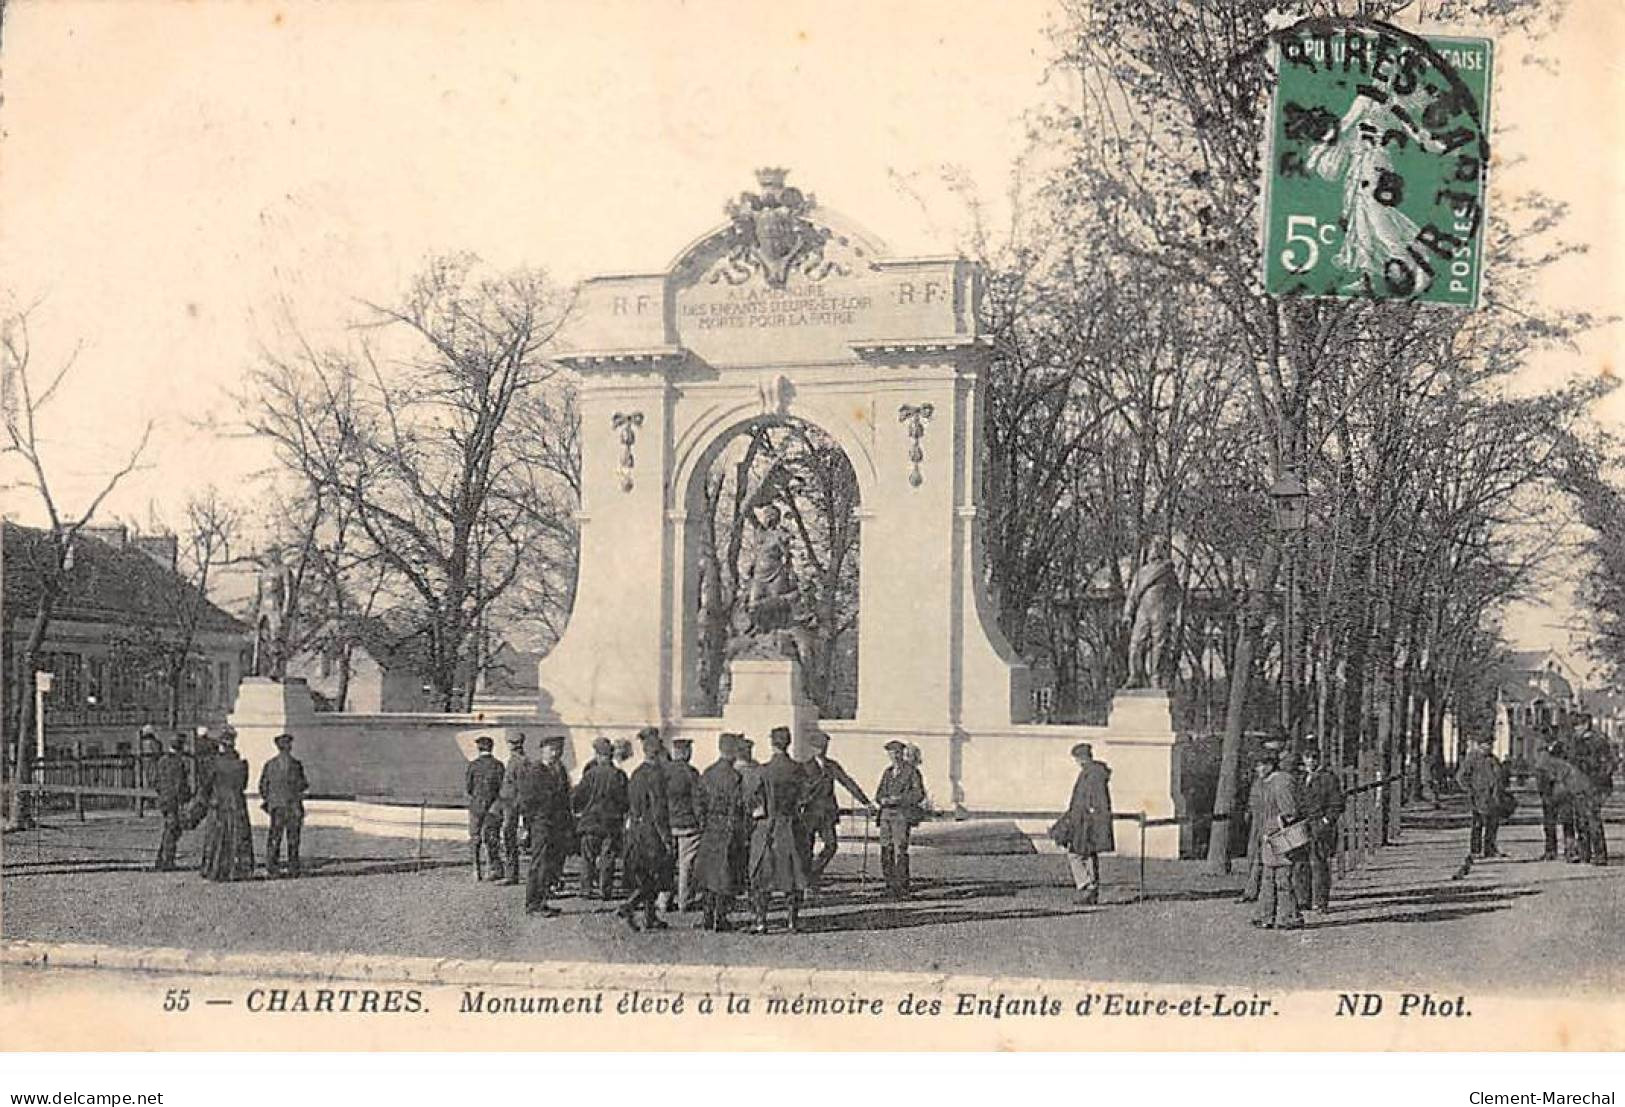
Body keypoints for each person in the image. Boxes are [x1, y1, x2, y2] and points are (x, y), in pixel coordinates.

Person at [745, 726, 812, 933]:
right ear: (789, 743)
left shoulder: (763, 771)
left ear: (772, 743)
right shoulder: (799, 769)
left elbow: (753, 800)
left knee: (762, 875)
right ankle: (792, 921)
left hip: (767, 828)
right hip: (791, 827)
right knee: (792, 873)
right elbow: (807, 798)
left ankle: (761, 922)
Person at [617, 727, 675, 932]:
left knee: (646, 875)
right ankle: (629, 906)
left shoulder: (637, 773)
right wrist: (666, 838)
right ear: (657, 752)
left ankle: (650, 918)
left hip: (636, 830)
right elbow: (658, 810)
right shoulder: (656, 776)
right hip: (652, 832)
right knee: (656, 876)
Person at [798, 730, 872, 885]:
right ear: (812, 748)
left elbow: (847, 782)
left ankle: (813, 874)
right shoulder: (804, 767)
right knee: (806, 849)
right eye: (818, 747)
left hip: (827, 814)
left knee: (831, 846)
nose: (822, 750)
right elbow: (797, 790)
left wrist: (865, 802)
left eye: (824, 747)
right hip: (809, 814)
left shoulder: (832, 766)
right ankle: (806, 882)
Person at [695, 733, 747, 931]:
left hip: (710, 828)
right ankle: (721, 918)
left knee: (709, 874)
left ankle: (707, 917)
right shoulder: (735, 777)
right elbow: (737, 805)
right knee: (725, 874)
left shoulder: (707, 773)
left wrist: (704, 823)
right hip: (728, 829)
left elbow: (698, 802)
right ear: (733, 751)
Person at [1054, 742, 1114, 906]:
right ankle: (1091, 887)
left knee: (1076, 854)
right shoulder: (1096, 773)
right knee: (1088, 855)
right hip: (1089, 821)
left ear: (1080, 758)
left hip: (1085, 822)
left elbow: (1087, 801)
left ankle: (1086, 886)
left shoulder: (1090, 775)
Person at [1253, 751, 1305, 930]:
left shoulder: (1282, 782)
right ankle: (1265, 915)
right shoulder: (1265, 783)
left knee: (1283, 879)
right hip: (1268, 837)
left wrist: (1272, 826)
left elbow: (1290, 812)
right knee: (1268, 878)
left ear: (1270, 765)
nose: (1257, 769)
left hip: (1282, 837)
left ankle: (1289, 916)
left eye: (1260, 765)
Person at [572, 736, 629, 898]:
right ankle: (605, 890)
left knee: (588, 857)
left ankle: (586, 889)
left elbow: (578, 797)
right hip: (611, 823)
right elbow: (625, 800)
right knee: (608, 857)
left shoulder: (590, 775)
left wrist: (579, 810)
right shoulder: (619, 775)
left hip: (591, 822)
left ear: (598, 755)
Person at [524, 736, 574, 917]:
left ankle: (543, 900)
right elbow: (528, 800)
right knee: (538, 864)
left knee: (550, 865)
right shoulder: (536, 771)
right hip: (542, 824)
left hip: (557, 825)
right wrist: (533, 822)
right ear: (543, 750)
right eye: (551, 749)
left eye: (559, 750)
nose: (556, 753)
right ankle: (532, 904)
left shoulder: (559, 770)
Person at [874, 739, 926, 899]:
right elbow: (879, 793)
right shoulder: (888, 772)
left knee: (900, 850)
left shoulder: (911, 772)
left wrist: (898, 799)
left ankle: (902, 886)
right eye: (891, 753)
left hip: (901, 816)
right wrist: (882, 800)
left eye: (897, 752)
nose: (894, 756)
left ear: (902, 753)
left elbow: (919, 794)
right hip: (885, 815)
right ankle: (889, 884)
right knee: (885, 849)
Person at [201, 729, 254, 882]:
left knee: (217, 839)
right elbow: (243, 785)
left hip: (218, 804)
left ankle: (215, 869)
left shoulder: (215, 764)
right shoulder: (242, 765)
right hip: (236, 804)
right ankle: (238, 870)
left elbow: (207, 784)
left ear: (222, 746)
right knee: (237, 837)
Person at [1297, 746, 1344, 914]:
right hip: (1303, 826)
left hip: (1320, 827)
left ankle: (1321, 902)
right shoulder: (1302, 778)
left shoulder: (1328, 778)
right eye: (1307, 757)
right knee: (1302, 864)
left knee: (1319, 864)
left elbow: (1337, 804)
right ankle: (1304, 899)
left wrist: (1325, 822)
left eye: (1314, 757)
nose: (1311, 761)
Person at [662, 737, 705, 913]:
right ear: (686, 753)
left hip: (667, 823)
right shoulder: (692, 773)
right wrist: (701, 820)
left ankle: (663, 900)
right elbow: (697, 801)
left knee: (667, 863)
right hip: (688, 825)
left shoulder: (664, 772)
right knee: (686, 864)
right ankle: (684, 900)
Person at [258, 732, 309, 878]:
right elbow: (303, 784)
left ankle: (272, 868)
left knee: (275, 837)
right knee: (293, 839)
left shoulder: (270, 765)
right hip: (292, 806)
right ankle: (293, 868)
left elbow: (262, 786)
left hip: (277, 807)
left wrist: (270, 800)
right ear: (289, 748)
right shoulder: (296, 765)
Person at [1456, 736, 1507, 859]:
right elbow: (1461, 777)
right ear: (1480, 745)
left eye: (1490, 744)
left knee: (1492, 825)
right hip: (1478, 796)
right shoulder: (1472, 758)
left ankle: (1490, 849)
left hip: (1493, 797)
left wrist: (1501, 788)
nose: (1489, 747)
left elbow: (1501, 776)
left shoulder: (1493, 759)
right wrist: (1471, 789)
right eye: (1486, 744)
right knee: (1478, 824)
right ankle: (1475, 850)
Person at [1571, 727, 1615, 865]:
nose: (1576, 729)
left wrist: (1601, 780)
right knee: (1580, 821)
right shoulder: (1576, 742)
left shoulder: (1598, 742)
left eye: (1578, 725)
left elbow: (1609, 763)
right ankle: (1585, 853)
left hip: (1593, 786)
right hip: (1579, 785)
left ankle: (1600, 855)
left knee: (1593, 821)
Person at [497, 733, 536, 886]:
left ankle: (511, 874)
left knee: (509, 838)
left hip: (513, 805)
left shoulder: (519, 762)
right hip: (510, 803)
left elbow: (521, 786)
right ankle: (511, 873)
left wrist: (517, 806)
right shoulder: (518, 760)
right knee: (509, 838)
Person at [465, 735, 505, 882]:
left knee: (475, 838)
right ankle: (492, 868)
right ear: (491, 748)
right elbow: (502, 788)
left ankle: (476, 869)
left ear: (478, 748)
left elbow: (468, 787)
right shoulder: (498, 765)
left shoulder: (473, 765)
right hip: (493, 806)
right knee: (492, 838)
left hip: (476, 806)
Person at [1236, 753, 1275, 904]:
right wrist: (1249, 813)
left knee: (1267, 860)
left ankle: (1262, 892)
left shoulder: (1273, 782)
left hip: (1269, 824)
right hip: (1256, 825)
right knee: (1253, 857)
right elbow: (1252, 802)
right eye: (1258, 765)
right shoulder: (1257, 783)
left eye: (1263, 765)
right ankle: (1251, 890)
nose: (1260, 768)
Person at [151, 734, 192, 872]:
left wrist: (162, 794)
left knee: (170, 829)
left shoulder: (162, 761)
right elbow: (181, 785)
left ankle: (162, 859)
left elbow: (155, 781)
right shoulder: (178, 763)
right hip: (174, 801)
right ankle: (166, 860)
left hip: (164, 800)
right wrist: (185, 797)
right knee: (172, 830)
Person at [1533, 736, 1577, 861]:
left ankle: (1550, 850)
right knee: (1568, 823)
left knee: (1549, 824)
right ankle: (1570, 850)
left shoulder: (1544, 764)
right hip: (1566, 796)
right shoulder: (1568, 766)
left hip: (1550, 796)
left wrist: (1543, 794)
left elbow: (1541, 782)